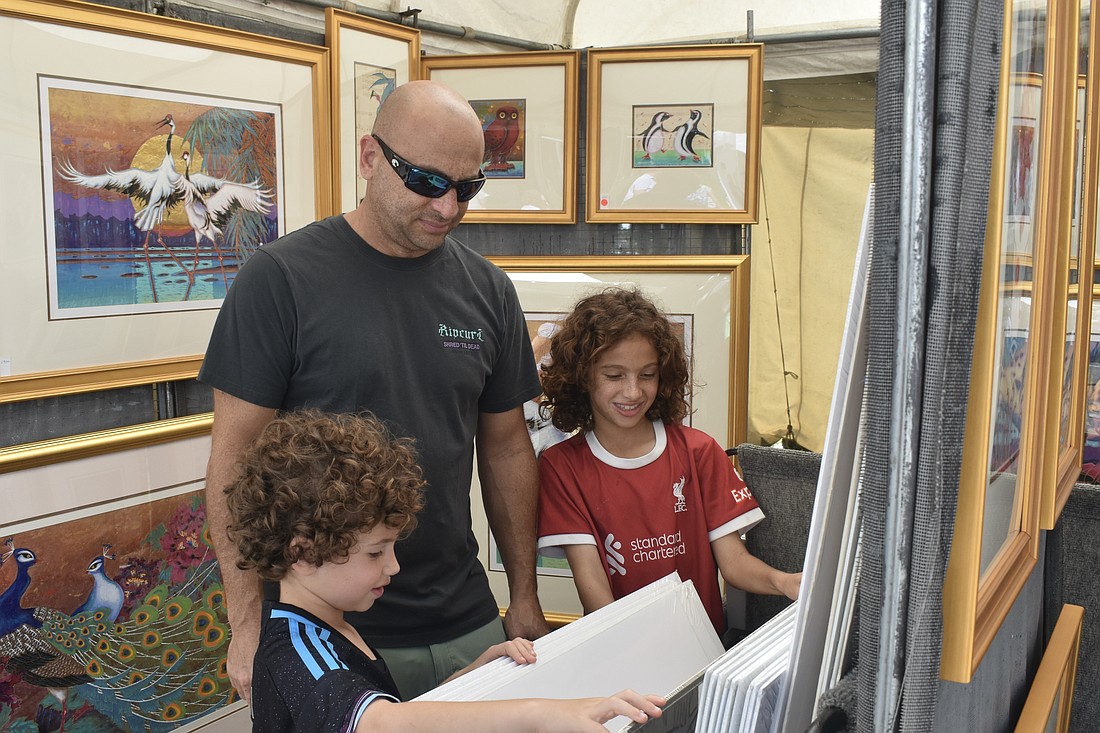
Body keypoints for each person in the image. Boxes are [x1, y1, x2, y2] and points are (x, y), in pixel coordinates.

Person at [199, 79, 549, 701]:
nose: (448, 208)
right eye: (426, 181)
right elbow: (234, 462)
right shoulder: (279, 281)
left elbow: (506, 450)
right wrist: (247, 622)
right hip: (330, 631)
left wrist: (523, 595)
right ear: (368, 157)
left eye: (467, 189)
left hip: (466, 616)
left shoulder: (489, 292)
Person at [225, 409, 664, 732]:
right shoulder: (297, 650)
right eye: (376, 553)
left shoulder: (332, 624)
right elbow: (380, 723)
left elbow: (394, 705)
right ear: (302, 554)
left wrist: (472, 675)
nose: (393, 567)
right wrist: (539, 713)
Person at [534, 288, 802, 636]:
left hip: (705, 648)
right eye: (614, 376)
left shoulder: (699, 451)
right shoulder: (561, 466)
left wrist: (785, 582)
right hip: (619, 649)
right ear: (583, 376)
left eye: (647, 374)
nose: (633, 392)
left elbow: (734, 564)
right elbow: (593, 588)